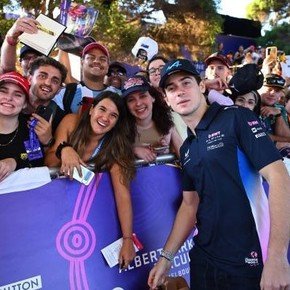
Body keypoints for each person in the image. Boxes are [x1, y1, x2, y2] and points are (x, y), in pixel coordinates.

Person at [148, 59, 290, 290]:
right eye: (171, 88)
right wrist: (166, 258)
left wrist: (277, 257)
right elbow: (189, 205)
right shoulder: (187, 148)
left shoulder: (236, 117)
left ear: (202, 86)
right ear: (166, 99)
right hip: (204, 258)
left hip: (247, 261)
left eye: (186, 83)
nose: (180, 92)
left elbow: (280, 178)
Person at [45, 91, 136, 268]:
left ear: (117, 122)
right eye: (102, 109)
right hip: (56, 205)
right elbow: (49, 162)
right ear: (91, 110)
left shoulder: (115, 148)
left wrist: (127, 239)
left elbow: (123, 195)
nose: (105, 118)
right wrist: (65, 149)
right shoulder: (71, 122)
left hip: (84, 213)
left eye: (113, 115)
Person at [122, 75, 183, 162]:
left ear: (153, 97)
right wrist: (134, 150)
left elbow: (184, 156)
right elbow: (111, 154)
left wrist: (167, 151)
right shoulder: (121, 129)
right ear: (126, 106)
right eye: (131, 100)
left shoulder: (168, 125)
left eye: (142, 96)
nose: (138, 103)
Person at [0, 71, 44, 181]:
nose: (9, 98)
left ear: (25, 103)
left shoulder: (30, 130)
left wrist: (15, 162)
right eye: (3, 91)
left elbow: (36, 161)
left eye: (17, 95)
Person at [53, 42, 118, 114]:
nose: (97, 61)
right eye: (91, 57)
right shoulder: (65, 93)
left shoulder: (117, 94)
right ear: (82, 62)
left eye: (103, 59)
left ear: (108, 66)